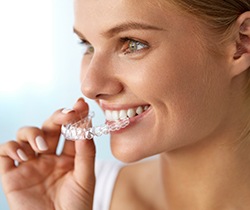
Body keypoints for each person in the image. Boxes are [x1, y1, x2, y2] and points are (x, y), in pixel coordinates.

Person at [1, 0, 250, 209]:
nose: (89, 86)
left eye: (132, 43)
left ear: (241, 43)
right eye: (88, 45)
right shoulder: (76, 196)